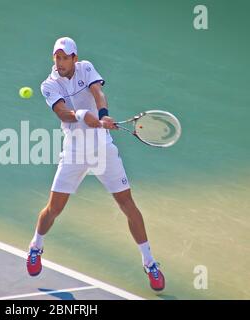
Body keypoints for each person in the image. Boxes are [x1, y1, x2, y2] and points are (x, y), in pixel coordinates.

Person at [26, 37, 165, 291]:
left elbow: (98, 93)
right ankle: (36, 246)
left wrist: (102, 116)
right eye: (57, 57)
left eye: (65, 57)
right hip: (74, 152)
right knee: (53, 209)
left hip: (103, 150)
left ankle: (150, 263)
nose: (60, 62)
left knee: (128, 205)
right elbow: (61, 113)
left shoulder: (86, 68)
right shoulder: (49, 84)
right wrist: (81, 116)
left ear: (74, 58)